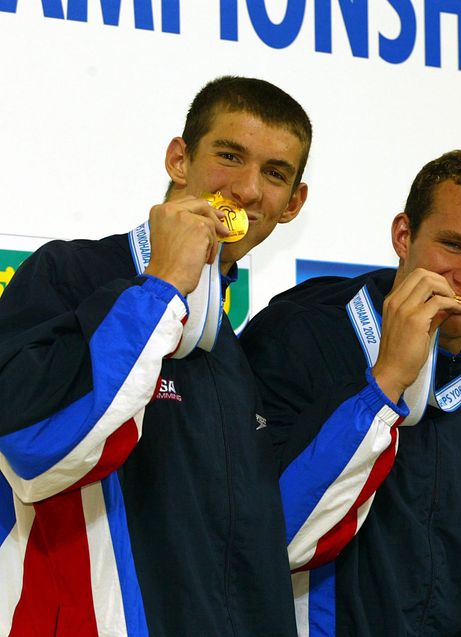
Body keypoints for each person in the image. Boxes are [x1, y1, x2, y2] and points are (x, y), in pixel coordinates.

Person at [0, 76, 310, 636]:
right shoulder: (70, 273)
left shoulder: (230, 347)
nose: (246, 190)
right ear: (178, 160)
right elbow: (32, 449)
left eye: (274, 173)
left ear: (293, 204)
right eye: (229, 156)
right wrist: (161, 287)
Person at [238, 150, 461, 636]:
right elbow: (274, 539)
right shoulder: (301, 334)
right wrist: (385, 383)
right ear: (403, 235)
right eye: (453, 245)